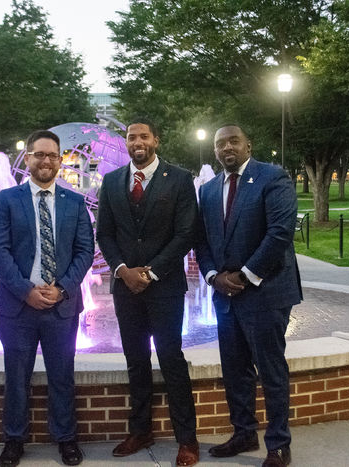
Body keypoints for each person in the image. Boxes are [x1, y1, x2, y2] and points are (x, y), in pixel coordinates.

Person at [195, 125, 302, 467]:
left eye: (233, 141)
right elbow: (202, 240)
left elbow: (280, 232)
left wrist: (244, 275)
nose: (227, 147)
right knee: (235, 370)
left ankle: (278, 444)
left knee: (270, 370)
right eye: (220, 143)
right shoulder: (210, 189)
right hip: (225, 295)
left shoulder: (272, 177)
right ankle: (244, 433)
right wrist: (213, 277)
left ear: (248, 145)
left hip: (266, 292)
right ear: (214, 151)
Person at [96, 117, 199, 467]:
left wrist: (151, 272)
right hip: (126, 288)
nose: (137, 141)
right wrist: (123, 271)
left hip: (165, 287)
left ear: (156, 139)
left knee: (171, 361)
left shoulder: (180, 179)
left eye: (143, 136)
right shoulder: (111, 182)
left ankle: (187, 439)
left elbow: (186, 234)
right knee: (135, 361)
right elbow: (105, 234)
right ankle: (140, 430)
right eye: (131, 137)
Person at [0, 130, 94, 467]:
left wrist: (62, 288)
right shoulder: (7, 199)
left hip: (61, 307)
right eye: (39, 155)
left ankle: (66, 439)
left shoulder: (75, 202)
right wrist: (26, 291)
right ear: (29, 159)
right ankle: (14, 440)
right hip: (16, 308)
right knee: (16, 377)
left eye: (52, 155)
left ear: (60, 160)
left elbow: (85, 251)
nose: (45, 160)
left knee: (62, 376)